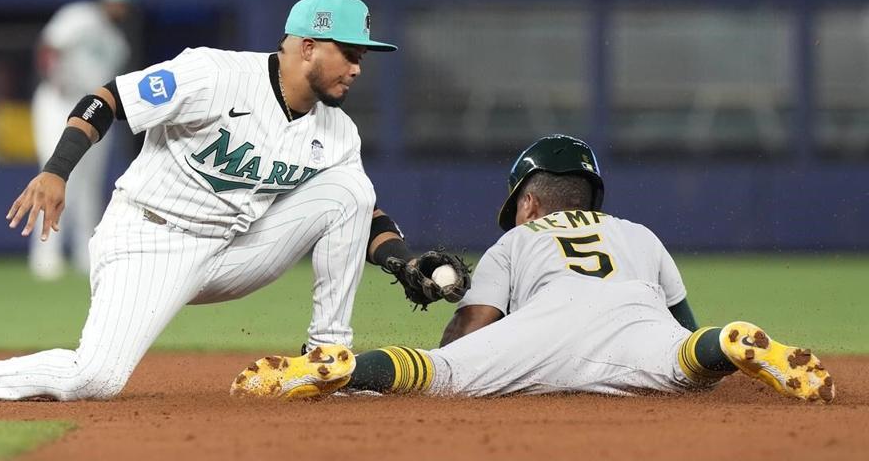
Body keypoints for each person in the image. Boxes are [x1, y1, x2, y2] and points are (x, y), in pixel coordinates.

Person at [0, 0, 469, 402]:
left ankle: (325, 355)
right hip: (147, 238)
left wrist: (402, 261)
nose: (359, 67)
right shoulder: (213, 74)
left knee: (350, 190)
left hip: (232, 250)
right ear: (308, 45)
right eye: (350, 53)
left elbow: (362, 213)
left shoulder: (336, 129)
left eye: (363, 56)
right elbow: (109, 98)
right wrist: (57, 170)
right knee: (95, 378)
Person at [229, 134, 836, 404]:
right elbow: (683, 321)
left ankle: (338, 365)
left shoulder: (517, 241)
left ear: (529, 202)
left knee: (438, 374)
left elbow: (470, 332)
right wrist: (701, 351)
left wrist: (459, 339)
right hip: (640, 328)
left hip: (544, 328)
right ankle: (733, 343)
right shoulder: (637, 233)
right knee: (688, 360)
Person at [29, 0, 137, 279]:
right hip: (59, 101)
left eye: (124, 1)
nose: (118, 5)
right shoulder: (79, 16)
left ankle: (83, 253)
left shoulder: (118, 43)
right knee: (54, 173)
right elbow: (49, 46)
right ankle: (46, 254)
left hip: (93, 110)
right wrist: (54, 79)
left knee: (89, 183)